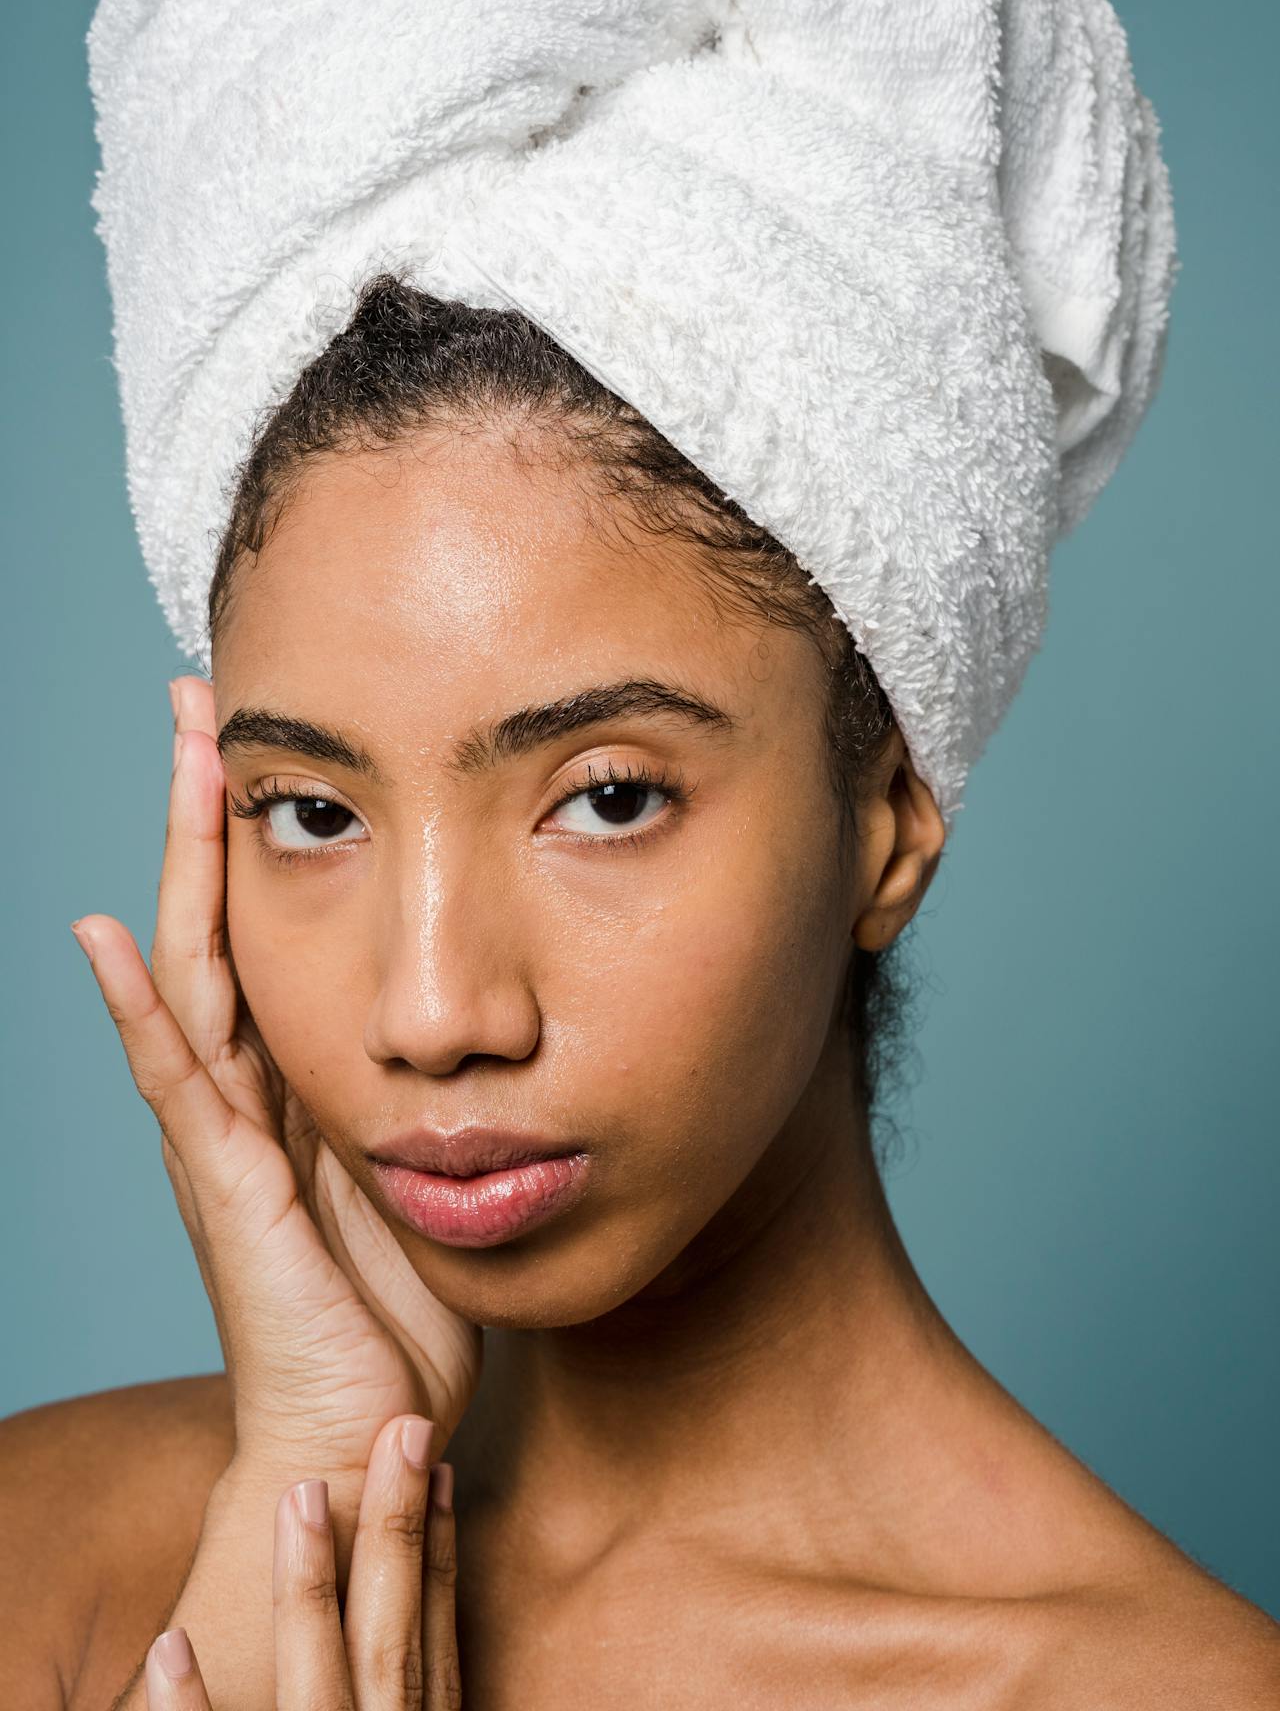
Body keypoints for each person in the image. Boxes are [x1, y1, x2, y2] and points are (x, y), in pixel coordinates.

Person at [3, 278, 1278, 1706]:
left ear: (889, 824)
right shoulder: (47, 1559)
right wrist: (296, 1505)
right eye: (310, 813)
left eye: (606, 799)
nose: (429, 1013)